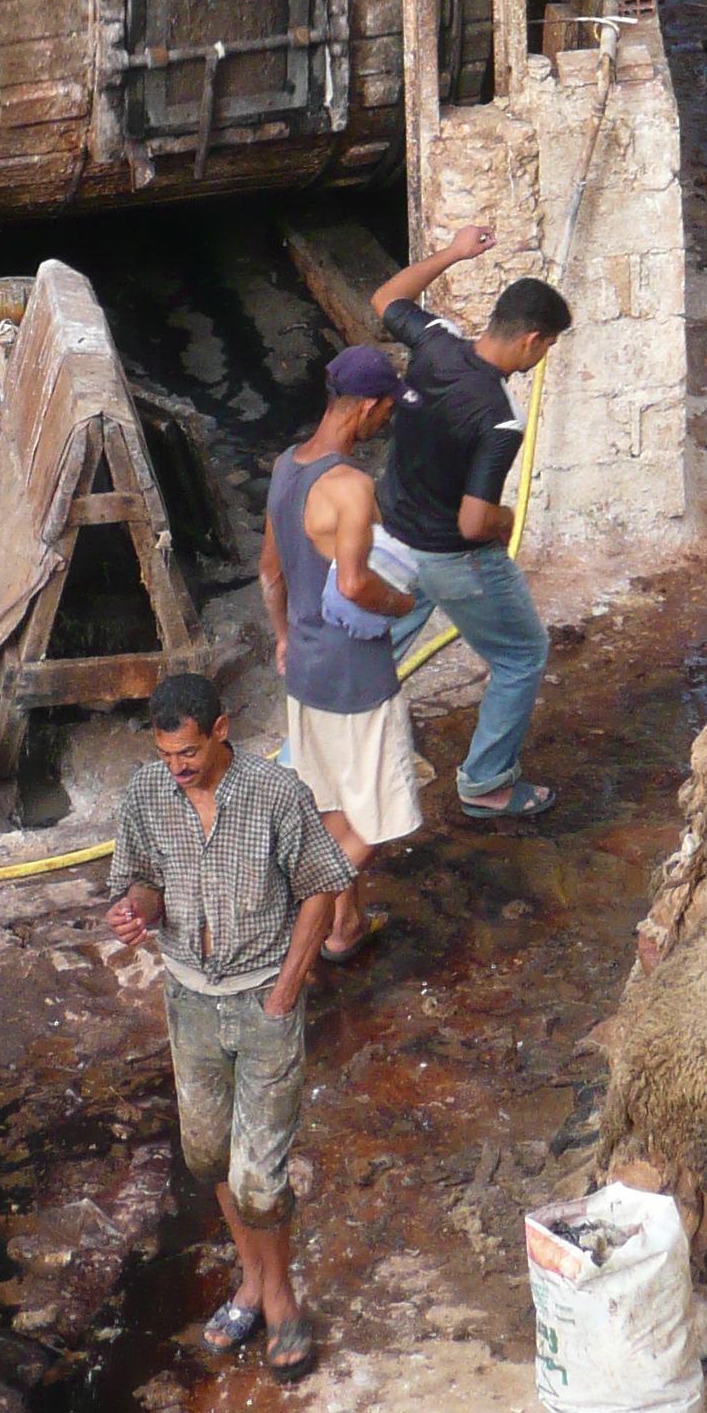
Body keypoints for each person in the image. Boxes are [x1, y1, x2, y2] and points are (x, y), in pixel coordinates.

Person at [105, 669, 350, 1377]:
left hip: (262, 1000)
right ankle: (250, 1279)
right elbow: (145, 879)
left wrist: (286, 990)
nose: (177, 768)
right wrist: (136, 913)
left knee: (259, 1181)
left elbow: (324, 885)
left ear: (220, 728)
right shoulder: (150, 794)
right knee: (209, 1158)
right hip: (188, 999)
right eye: (165, 755)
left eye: (188, 753)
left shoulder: (276, 794)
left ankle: (280, 1302)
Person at [369, 221, 572, 823]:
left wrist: (453, 253)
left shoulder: (435, 343)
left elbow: (386, 298)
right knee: (522, 655)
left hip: (391, 541)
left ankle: (306, 769)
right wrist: (509, 519)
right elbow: (474, 519)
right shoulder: (500, 419)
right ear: (533, 340)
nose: (542, 359)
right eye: (548, 348)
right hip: (453, 560)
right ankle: (485, 782)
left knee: (364, 663)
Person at [258, 345, 421, 964]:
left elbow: (269, 573)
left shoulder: (284, 467)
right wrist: (402, 605)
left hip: (304, 670)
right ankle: (297, 914)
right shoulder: (351, 487)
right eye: (386, 411)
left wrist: (281, 636)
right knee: (376, 820)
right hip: (356, 677)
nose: (386, 422)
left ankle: (344, 928)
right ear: (370, 407)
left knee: (332, 806)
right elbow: (354, 585)